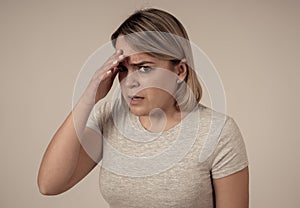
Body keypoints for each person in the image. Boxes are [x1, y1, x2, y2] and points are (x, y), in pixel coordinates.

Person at [38, 8, 249, 208]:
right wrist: (89, 98)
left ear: (180, 71)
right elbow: (49, 185)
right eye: (122, 68)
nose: (129, 81)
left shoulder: (218, 132)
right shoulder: (110, 118)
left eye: (144, 67)